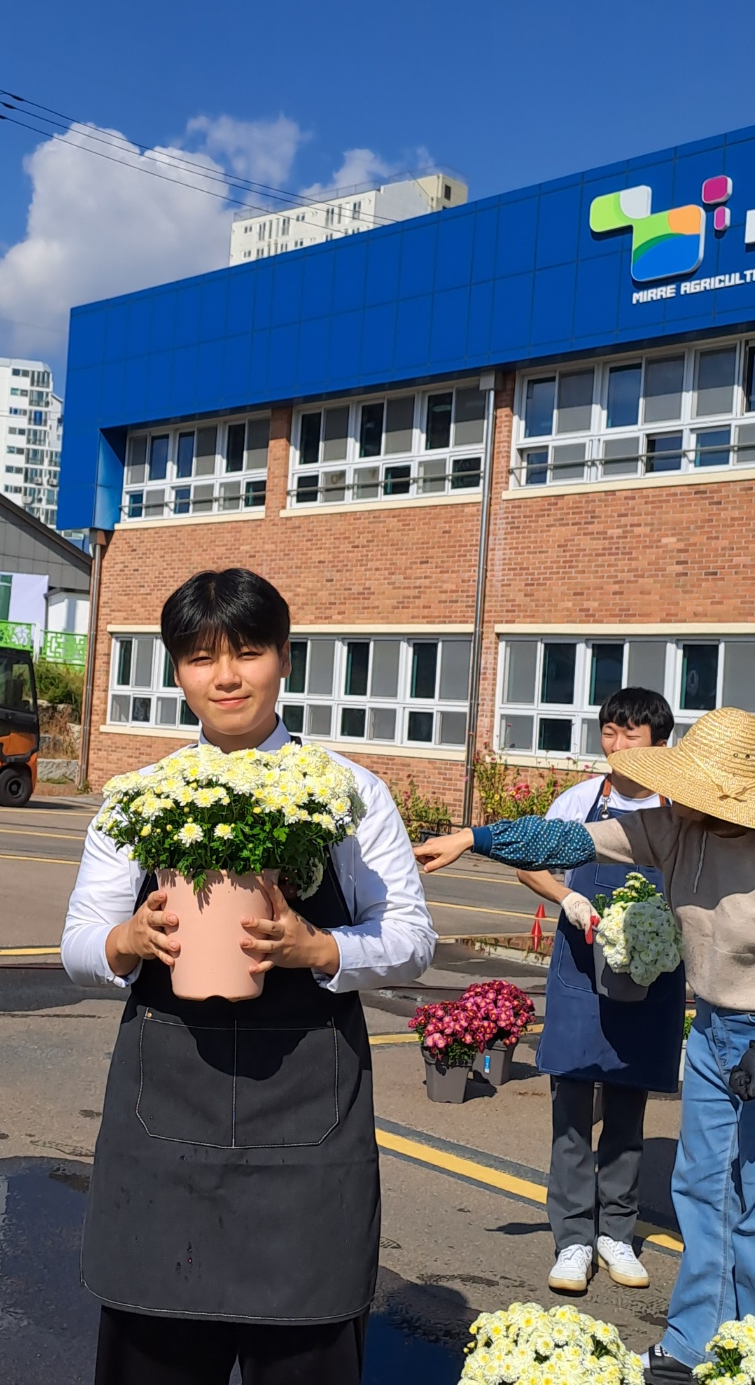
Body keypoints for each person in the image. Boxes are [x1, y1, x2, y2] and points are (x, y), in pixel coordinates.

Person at [62, 568, 437, 1385]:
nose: (226, 677)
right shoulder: (141, 797)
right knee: (151, 1357)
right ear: (176, 672)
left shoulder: (348, 793)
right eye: (201, 658)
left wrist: (318, 948)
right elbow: (79, 944)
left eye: (248, 652)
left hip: (309, 1119)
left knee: (305, 1354)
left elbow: (411, 940)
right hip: (164, 1112)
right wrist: (128, 939)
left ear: (285, 659)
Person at [415, 707, 755, 1385]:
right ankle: (697, 1345)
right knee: (703, 1191)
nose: (677, 794)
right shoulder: (675, 831)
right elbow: (566, 838)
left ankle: (736, 1345)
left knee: (745, 1198)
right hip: (714, 1034)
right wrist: (476, 837)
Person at [514, 688, 684, 1296]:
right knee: (571, 1100)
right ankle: (572, 1239)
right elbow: (530, 860)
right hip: (580, 968)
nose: (616, 744)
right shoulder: (579, 801)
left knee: (629, 1103)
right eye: (609, 731)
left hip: (652, 973)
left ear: (660, 742)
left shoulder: (679, 810)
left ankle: (616, 1231)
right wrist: (568, 897)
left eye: (630, 733)